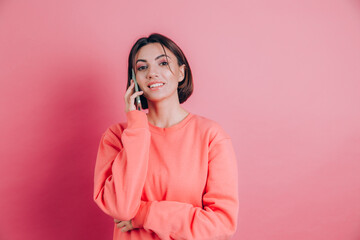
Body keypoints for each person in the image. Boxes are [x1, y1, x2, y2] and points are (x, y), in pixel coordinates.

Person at [93, 33, 239, 240]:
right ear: (134, 80)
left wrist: (144, 214)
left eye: (162, 63)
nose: (152, 73)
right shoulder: (117, 137)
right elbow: (121, 209)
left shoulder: (211, 136)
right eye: (142, 67)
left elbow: (222, 226)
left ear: (181, 73)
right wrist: (136, 126)